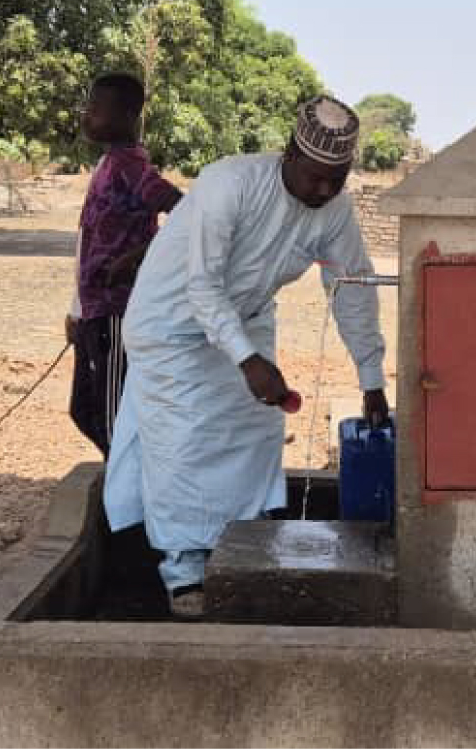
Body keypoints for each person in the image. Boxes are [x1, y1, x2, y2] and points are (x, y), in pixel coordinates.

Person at [103, 95, 389, 619]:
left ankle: (241, 546)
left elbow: (352, 287)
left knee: (253, 434)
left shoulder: (335, 210)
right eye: (316, 177)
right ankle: (184, 570)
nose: (324, 190)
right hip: (174, 323)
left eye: (337, 177)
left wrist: (371, 377)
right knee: (185, 444)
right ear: (289, 154)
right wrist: (247, 360)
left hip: (247, 316)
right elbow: (203, 287)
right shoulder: (229, 184)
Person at [66, 73, 182, 456]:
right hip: (94, 311)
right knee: (84, 410)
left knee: (115, 418)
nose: (88, 115)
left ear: (129, 115)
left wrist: (141, 256)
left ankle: (131, 503)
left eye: (98, 109)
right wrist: (77, 310)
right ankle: (123, 486)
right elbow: (88, 242)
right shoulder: (108, 163)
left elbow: (184, 211)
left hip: (119, 312)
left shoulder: (130, 164)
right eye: (89, 106)